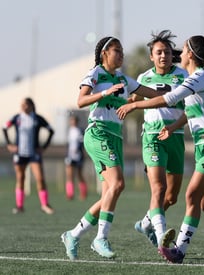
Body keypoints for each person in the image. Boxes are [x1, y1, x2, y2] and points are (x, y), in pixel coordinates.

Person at [117, 35, 204, 264]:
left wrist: (135, 104)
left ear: (190, 54)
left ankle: (179, 250)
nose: (178, 54)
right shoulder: (195, 78)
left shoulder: (199, 76)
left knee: (191, 195)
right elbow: (187, 111)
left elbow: (170, 98)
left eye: (182, 49)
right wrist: (171, 127)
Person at [60, 36, 166, 260]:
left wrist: (178, 94)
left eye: (122, 51)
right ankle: (100, 238)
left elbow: (153, 94)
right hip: (98, 133)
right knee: (118, 183)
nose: (121, 54)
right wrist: (105, 93)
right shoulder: (96, 74)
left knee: (109, 193)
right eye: (116, 50)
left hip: (114, 137)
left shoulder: (123, 79)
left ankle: (73, 234)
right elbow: (80, 101)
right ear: (104, 54)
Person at [132, 30, 188, 248]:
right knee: (159, 188)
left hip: (176, 137)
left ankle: (146, 223)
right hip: (152, 137)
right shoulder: (143, 78)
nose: (163, 55)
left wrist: (175, 126)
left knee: (172, 197)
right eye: (158, 52)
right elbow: (132, 99)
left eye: (166, 52)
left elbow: (190, 109)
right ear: (151, 56)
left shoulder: (183, 76)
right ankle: (162, 237)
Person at [2, 97, 55, 215]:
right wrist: (9, 144)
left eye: (25, 104)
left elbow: (51, 131)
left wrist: (44, 147)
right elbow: (4, 128)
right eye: (22, 104)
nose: (23, 106)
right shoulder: (17, 118)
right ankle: (19, 206)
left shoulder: (37, 118)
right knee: (20, 178)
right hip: (20, 154)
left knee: (40, 178)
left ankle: (45, 205)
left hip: (34, 154)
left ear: (31, 106)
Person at [64, 114, 88, 200]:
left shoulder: (81, 131)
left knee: (79, 174)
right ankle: (70, 194)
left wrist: (78, 149)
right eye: (71, 120)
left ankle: (83, 193)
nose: (72, 122)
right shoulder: (69, 131)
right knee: (69, 175)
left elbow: (83, 142)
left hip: (79, 156)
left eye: (74, 120)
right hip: (70, 156)